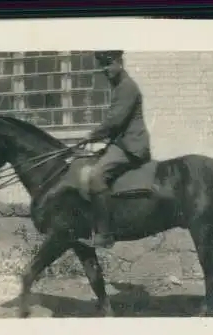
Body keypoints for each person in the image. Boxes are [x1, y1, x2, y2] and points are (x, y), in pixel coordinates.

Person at [82, 50, 151, 249]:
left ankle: (105, 234)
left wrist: (91, 135)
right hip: (122, 144)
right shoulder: (120, 86)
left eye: (108, 64)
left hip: (131, 146)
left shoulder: (127, 87)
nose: (105, 69)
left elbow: (115, 121)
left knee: (95, 176)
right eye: (102, 65)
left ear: (120, 63)